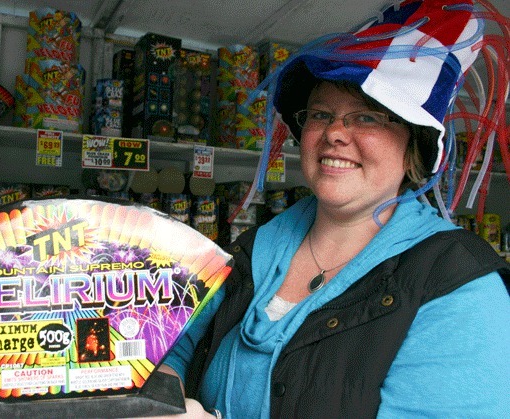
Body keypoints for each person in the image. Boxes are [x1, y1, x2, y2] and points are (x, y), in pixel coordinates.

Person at [152, 0, 510, 417]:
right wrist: (165, 391)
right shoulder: (257, 246)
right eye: (321, 114)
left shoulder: (459, 287)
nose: (335, 133)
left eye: (368, 117)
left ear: (414, 145)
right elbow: (179, 340)